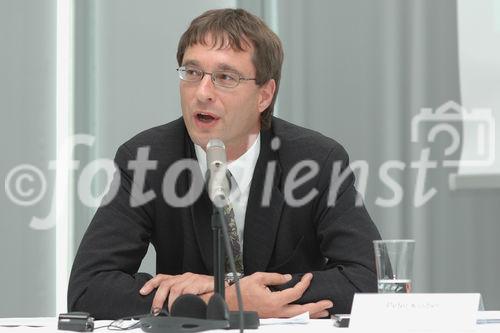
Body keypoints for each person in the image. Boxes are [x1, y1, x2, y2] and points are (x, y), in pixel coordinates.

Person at [68, 8, 381, 320]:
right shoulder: (146, 160)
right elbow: (88, 289)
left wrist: (242, 293)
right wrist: (219, 301)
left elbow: (370, 279)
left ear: (264, 95)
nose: (203, 92)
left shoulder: (315, 160)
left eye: (225, 77)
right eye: (192, 72)